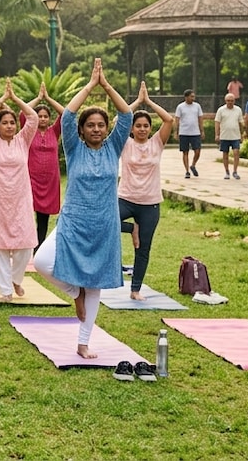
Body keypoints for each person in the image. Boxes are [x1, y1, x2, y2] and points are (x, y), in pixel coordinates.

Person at [33, 58, 131, 359]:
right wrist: (90, 85)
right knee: (41, 261)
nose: (97, 129)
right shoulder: (74, 149)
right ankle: (76, 292)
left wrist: (107, 86)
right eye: (91, 125)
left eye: (101, 125)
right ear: (82, 130)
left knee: (95, 284)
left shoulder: (113, 147)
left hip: (104, 224)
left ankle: (84, 342)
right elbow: (68, 115)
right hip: (73, 221)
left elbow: (126, 114)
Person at [0, 80, 38, 302]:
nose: (10, 126)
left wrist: (15, 99)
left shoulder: (23, 140)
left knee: (26, 245)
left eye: (12, 122)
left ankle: (16, 279)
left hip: (21, 200)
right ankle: (5, 291)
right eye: (4, 123)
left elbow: (32, 117)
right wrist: (2, 100)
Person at [118, 81, 174, 301]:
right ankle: (132, 228)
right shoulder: (125, 143)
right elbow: (118, 119)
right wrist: (137, 102)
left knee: (143, 248)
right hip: (125, 198)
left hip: (150, 204)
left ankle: (135, 290)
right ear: (132, 128)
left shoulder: (157, 143)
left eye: (145, 126)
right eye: (138, 125)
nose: (142, 129)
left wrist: (148, 102)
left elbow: (169, 120)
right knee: (104, 222)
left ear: (150, 128)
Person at [27, 85, 65, 249]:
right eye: (39, 116)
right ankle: (26, 245)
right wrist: (38, 98)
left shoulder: (54, 131)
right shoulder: (29, 131)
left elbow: (65, 114)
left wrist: (48, 98)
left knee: (43, 219)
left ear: (49, 119)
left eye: (45, 116)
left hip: (50, 181)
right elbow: (23, 113)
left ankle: (39, 248)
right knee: (27, 215)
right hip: (31, 179)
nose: (42, 119)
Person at [214, 92, 244, 179]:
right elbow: (217, 122)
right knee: (225, 154)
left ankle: (235, 171)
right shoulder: (221, 110)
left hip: (235, 136)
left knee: (236, 153)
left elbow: (240, 123)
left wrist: (242, 134)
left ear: (234, 101)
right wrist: (217, 134)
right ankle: (227, 171)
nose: (230, 102)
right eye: (228, 100)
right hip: (224, 136)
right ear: (225, 101)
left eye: (231, 100)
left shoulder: (238, 110)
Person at [174, 89, 203, 178]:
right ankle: (187, 171)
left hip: (195, 132)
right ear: (186, 97)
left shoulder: (197, 106)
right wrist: (176, 132)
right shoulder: (180, 107)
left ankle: (193, 165)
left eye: (194, 96)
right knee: (185, 152)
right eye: (191, 96)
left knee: (197, 151)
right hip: (184, 132)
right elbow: (177, 120)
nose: (193, 98)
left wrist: (202, 131)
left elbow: (200, 119)